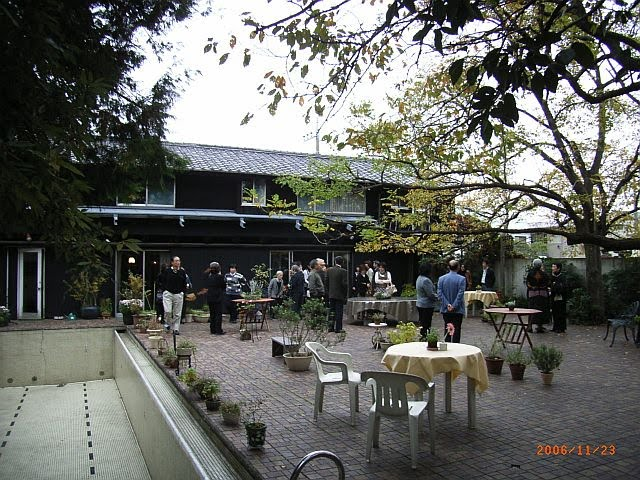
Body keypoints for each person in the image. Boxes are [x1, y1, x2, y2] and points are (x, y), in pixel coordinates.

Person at [158, 256, 190, 334]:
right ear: (172, 262)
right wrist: (164, 290)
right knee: (168, 311)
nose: (178, 262)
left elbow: (184, 282)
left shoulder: (182, 272)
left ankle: (176, 329)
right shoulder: (167, 271)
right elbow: (161, 281)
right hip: (168, 293)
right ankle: (167, 325)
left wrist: (183, 291)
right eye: (176, 261)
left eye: (179, 261)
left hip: (178, 294)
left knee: (177, 313)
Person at [437, 259, 467, 343]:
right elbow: (460, 294)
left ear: (448, 267)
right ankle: (456, 347)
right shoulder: (462, 279)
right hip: (458, 309)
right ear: (458, 267)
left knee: (447, 328)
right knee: (457, 330)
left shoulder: (441, 279)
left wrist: (447, 304)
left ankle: (446, 345)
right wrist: (454, 305)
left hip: (446, 309)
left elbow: (439, 293)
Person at [527, 258, 550, 333]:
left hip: (532, 294)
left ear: (533, 265)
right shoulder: (544, 274)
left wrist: (533, 287)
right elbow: (547, 284)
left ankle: (530, 326)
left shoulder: (530, 273)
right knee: (541, 310)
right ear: (540, 265)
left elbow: (528, 283)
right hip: (542, 295)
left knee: (531, 310)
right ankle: (540, 326)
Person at [325, 256, 349, 332]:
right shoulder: (344, 271)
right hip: (340, 294)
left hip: (331, 294)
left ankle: (330, 327)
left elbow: (326, 282)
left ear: (335, 261)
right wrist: (345, 294)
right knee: (339, 312)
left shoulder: (329, 270)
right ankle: (338, 328)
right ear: (342, 262)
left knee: (331, 311)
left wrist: (329, 291)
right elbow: (344, 284)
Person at [203, 262, 226, 335]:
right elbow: (223, 286)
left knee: (212, 314)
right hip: (218, 297)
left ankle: (212, 329)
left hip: (210, 296)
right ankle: (218, 330)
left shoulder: (209, 277)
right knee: (218, 314)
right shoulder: (220, 277)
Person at [416, 262, 437, 337]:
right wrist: (438, 297)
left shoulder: (419, 278)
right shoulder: (426, 280)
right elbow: (430, 294)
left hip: (420, 303)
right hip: (426, 305)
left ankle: (423, 336)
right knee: (426, 324)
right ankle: (425, 338)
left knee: (423, 323)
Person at [549, 262, 567, 333]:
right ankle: (555, 326)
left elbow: (563, 287)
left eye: (554, 267)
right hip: (553, 297)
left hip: (560, 297)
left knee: (560, 312)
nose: (552, 268)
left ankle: (561, 327)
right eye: (552, 267)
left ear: (558, 268)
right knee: (554, 312)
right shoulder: (552, 277)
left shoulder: (562, 277)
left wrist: (555, 287)